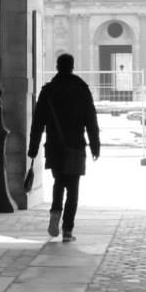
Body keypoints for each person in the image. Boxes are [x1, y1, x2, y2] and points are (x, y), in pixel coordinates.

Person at [27, 52, 100, 241]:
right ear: (72, 66)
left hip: (54, 145)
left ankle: (54, 215)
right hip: (75, 145)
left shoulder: (48, 90)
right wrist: (95, 146)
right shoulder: (81, 89)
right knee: (73, 188)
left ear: (57, 67)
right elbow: (91, 119)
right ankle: (68, 230)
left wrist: (33, 147)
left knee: (58, 182)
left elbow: (37, 122)